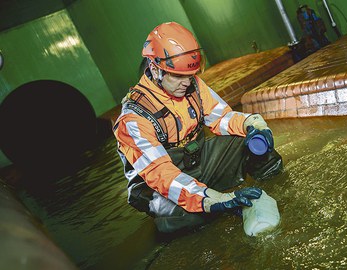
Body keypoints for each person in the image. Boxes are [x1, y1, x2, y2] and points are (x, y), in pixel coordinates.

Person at [113, 22, 283, 233]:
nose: (186, 83)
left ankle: (280, 188)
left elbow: (221, 118)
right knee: (184, 219)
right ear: (155, 69)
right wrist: (218, 199)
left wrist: (252, 123)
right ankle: (206, 202)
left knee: (249, 141)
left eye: (190, 75)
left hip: (196, 164)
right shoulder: (133, 119)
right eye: (177, 76)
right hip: (160, 187)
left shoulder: (191, 84)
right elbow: (164, 176)